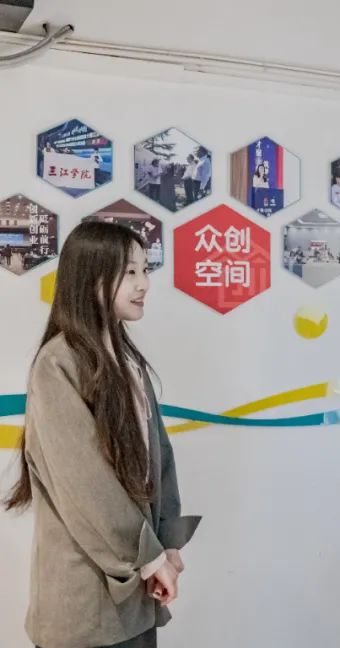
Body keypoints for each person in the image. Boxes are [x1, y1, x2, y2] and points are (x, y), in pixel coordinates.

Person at [3, 221, 200, 648]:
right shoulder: (58, 363)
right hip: (83, 603)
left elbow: (160, 458)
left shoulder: (126, 359)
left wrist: (167, 543)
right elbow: (85, 484)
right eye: (129, 272)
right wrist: (150, 558)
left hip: (136, 595)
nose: (143, 284)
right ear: (90, 276)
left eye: (145, 270)